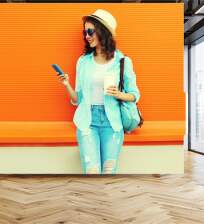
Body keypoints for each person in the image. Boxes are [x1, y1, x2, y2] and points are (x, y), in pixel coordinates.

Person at [58, 9, 140, 174]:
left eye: (90, 31)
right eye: (85, 32)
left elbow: (134, 95)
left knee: (109, 171)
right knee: (92, 171)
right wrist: (66, 84)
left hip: (112, 123)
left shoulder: (122, 61)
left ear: (104, 32)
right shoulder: (83, 62)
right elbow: (78, 98)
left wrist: (118, 94)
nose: (87, 36)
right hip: (87, 122)